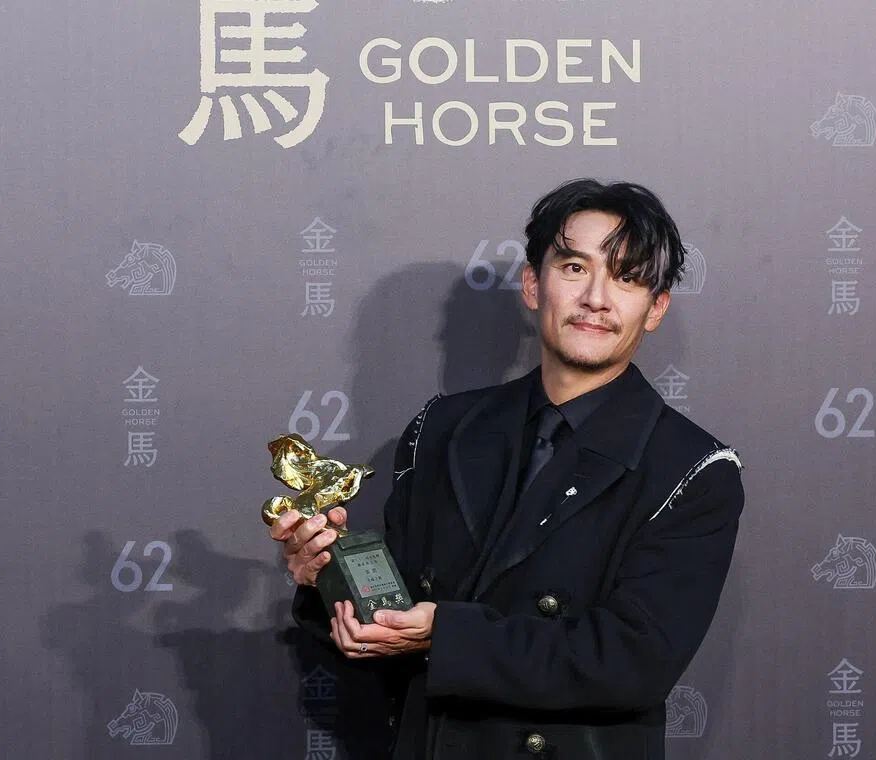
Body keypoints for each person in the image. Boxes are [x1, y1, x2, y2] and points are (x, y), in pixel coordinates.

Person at [271, 178, 745, 760]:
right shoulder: (441, 431)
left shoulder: (693, 469)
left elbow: (632, 663)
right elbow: (393, 614)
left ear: (655, 309)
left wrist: (446, 634)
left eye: (627, 276)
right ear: (533, 284)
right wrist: (325, 579)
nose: (597, 297)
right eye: (574, 268)